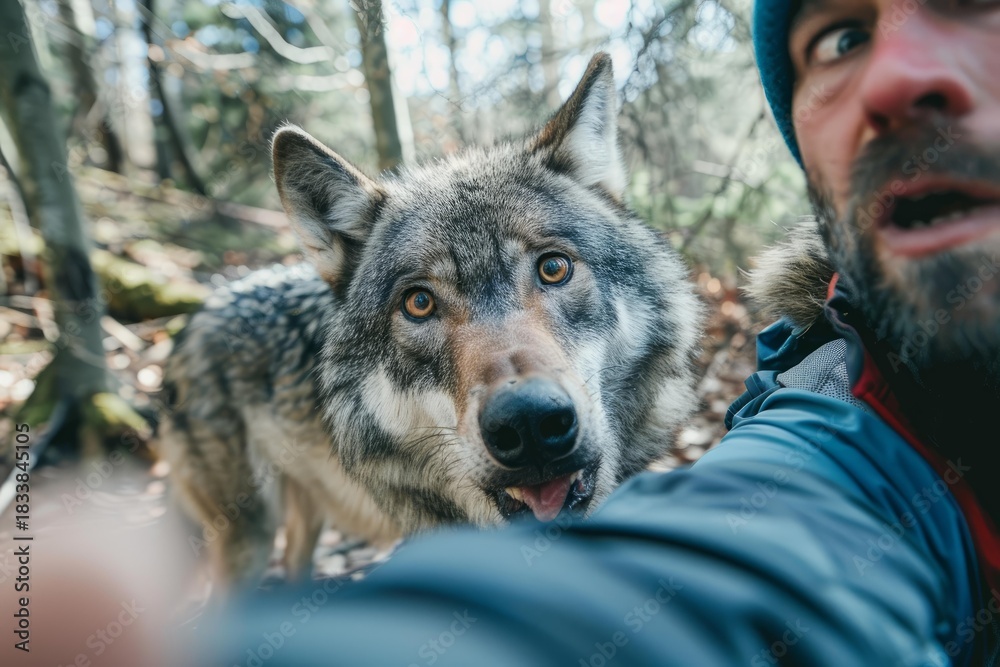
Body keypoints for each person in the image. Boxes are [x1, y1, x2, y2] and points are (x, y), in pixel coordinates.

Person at [200, 0, 1000, 664]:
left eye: (552, 270)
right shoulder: (850, 417)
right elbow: (763, 545)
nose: (900, 76)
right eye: (842, 39)